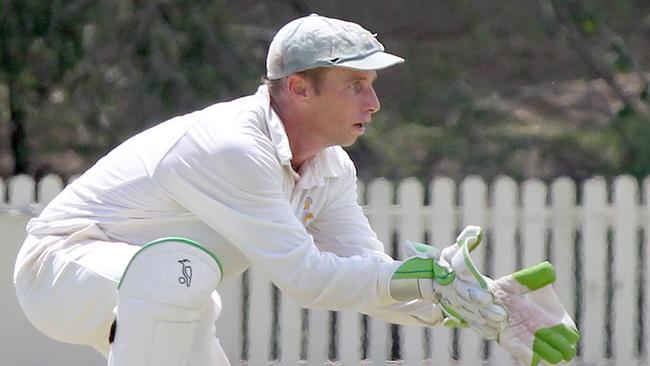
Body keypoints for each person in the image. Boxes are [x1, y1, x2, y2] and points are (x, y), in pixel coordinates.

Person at [13, 14, 577, 366]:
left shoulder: (331, 168)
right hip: (63, 269)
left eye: (372, 86)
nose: (373, 103)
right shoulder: (233, 146)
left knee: (186, 280)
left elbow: (363, 272)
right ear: (299, 88)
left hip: (170, 295)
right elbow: (306, 278)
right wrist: (426, 275)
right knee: (182, 269)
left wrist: (473, 303)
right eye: (355, 86)